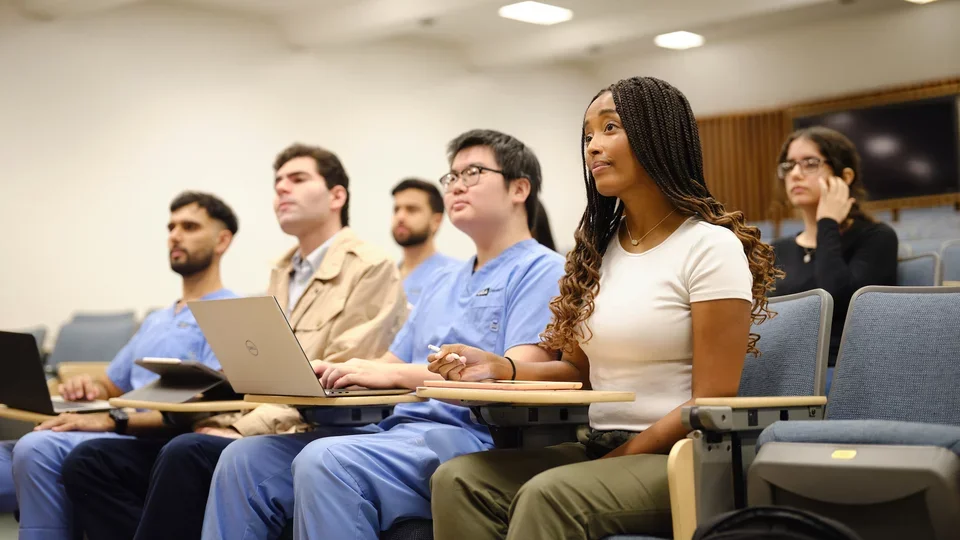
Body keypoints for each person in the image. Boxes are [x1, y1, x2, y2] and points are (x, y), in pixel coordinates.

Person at [428, 76, 781, 540]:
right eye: (588, 134)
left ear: (657, 136)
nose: (593, 146)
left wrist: (621, 456)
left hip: (680, 456)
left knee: (549, 494)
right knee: (459, 479)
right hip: (595, 445)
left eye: (610, 127)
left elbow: (712, 399)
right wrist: (499, 367)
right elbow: (577, 373)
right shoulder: (597, 251)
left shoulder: (709, 247)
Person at [202, 129, 566, 540]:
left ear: (519, 188)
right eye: (451, 176)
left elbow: (517, 378)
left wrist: (393, 374)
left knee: (326, 460)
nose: (456, 185)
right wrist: (331, 371)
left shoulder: (543, 270)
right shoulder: (443, 281)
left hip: (472, 438)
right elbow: (388, 364)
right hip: (398, 430)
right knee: (243, 460)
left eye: (473, 173)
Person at [60, 144, 407, 540]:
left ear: (336, 196)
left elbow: (336, 380)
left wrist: (240, 429)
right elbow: (258, 373)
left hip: (311, 432)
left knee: (185, 452)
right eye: (278, 182)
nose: (282, 189)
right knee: (91, 461)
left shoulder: (371, 267)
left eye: (297, 179)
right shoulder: (282, 271)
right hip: (258, 422)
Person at [4, 191, 240, 540]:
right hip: (122, 426)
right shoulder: (158, 319)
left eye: (189, 227)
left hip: (156, 436)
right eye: (171, 227)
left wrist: (113, 419)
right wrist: (88, 388)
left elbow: (207, 403)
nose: (175, 236)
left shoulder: (230, 313)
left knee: (36, 448)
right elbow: (112, 385)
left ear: (222, 240)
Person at [770, 126, 898, 392]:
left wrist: (827, 222)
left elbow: (834, 299)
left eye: (810, 163)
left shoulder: (876, 238)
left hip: (843, 375)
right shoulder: (776, 250)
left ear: (845, 176)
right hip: (780, 370)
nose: (795, 174)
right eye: (789, 165)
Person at [391, 178, 460, 306]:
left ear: (436, 221)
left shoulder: (456, 276)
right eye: (396, 209)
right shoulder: (386, 276)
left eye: (411, 209)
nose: (400, 217)